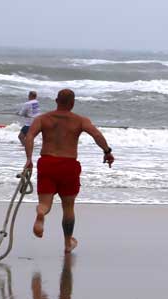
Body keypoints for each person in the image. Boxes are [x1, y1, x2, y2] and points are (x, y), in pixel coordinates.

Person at [24, 88, 114, 253]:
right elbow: (97, 135)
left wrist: (29, 159)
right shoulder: (80, 120)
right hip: (68, 166)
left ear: (56, 101)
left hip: (47, 163)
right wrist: (107, 151)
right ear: (72, 103)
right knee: (68, 207)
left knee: (45, 203)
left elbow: (29, 137)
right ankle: (67, 243)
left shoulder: (43, 119)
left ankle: (41, 213)